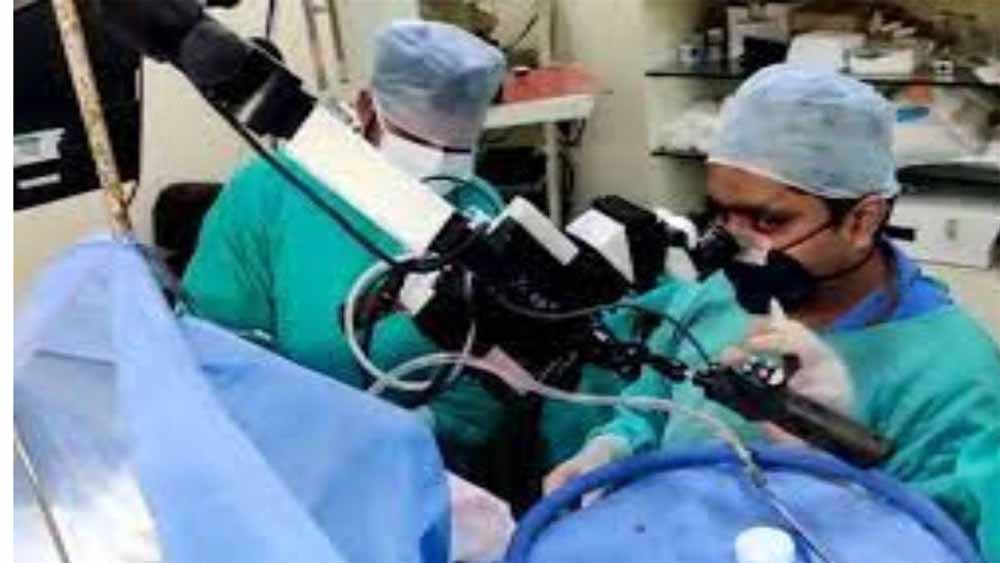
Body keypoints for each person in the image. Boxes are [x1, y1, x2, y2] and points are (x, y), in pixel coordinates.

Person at [544, 64, 1000, 560]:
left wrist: (839, 465)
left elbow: (945, 542)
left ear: (861, 220)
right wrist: (614, 447)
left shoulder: (956, 375)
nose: (738, 243)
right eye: (723, 212)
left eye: (768, 221)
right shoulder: (717, 294)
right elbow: (652, 405)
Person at [182, 20, 509, 459]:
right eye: (415, 143)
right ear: (366, 107)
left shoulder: (475, 208)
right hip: (291, 455)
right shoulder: (270, 193)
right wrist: (311, 438)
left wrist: (427, 426)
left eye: (455, 151)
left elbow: (495, 372)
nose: (436, 163)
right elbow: (217, 345)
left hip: (429, 461)